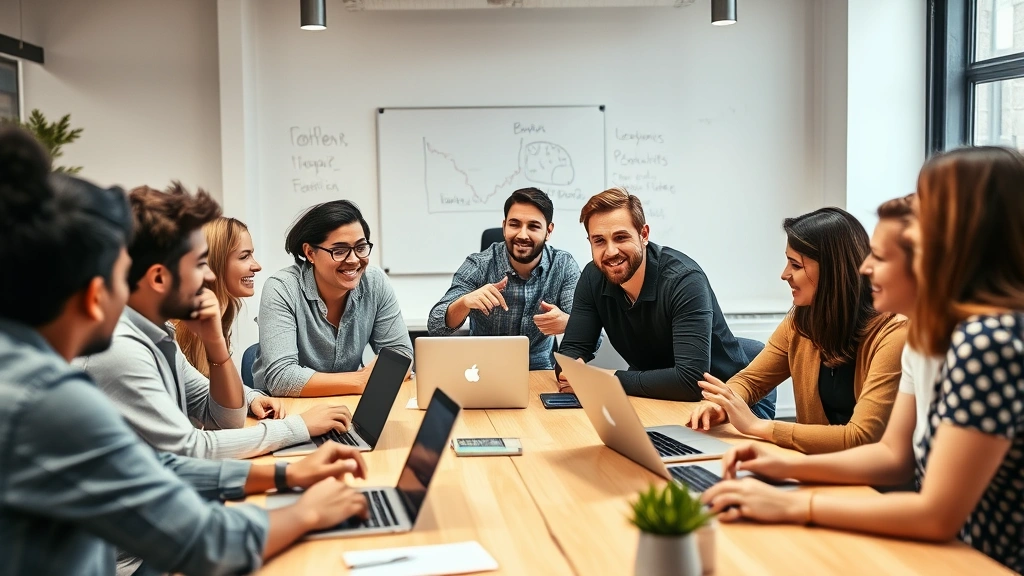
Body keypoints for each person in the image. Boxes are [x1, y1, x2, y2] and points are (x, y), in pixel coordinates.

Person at [0, 126, 368, 575]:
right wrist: (309, 510)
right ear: (94, 296)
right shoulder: (52, 397)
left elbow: (157, 467)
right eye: (121, 278)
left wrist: (283, 475)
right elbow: (201, 541)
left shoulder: (25, 369)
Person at [702, 147, 1024, 573]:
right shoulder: (930, 334)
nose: (867, 266)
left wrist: (795, 503)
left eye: (921, 219)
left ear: (965, 234)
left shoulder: (988, 341)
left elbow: (936, 513)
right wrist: (777, 465)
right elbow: (893, 455)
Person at [79, 184, 353, 459]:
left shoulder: (160, 334)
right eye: (199, 264)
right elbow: (192, 449)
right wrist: (298, 428)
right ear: (159, 278)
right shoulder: (121, 349)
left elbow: (224, 418)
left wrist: (215, 344)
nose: (209, 276)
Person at [690, 207, 907, 454]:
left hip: (870, 483)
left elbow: (861, 437)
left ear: (832, 270)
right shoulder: (802, 321)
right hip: (817, 467)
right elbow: (751, 380)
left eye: (796, 265)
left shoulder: (893, 334)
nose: (784, 275)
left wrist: (759, 427)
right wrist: (723, 406)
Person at [556, 188, 767, 413]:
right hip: (654, 399)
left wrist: (605, 378)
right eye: (599, 241)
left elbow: (690, 381)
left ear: (644, 235)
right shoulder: (593, 276)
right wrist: (571, 371)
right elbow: (571, 351)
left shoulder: (684, 280)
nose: (610, 251)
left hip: (726, 403)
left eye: (621, 237)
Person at [254, 200, 413, 397]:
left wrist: (366, 379)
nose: (354, 260)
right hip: (285, 411)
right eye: (339, 251)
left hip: (348, 405)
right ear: (310, 253)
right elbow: (282, 378)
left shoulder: (374, 282)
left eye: (361, 247)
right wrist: (361, 380)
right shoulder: (282, 288)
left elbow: (401, 356)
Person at [427, 188, 581, 370]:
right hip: (482, 371)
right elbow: (435, 325)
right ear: (504, 226)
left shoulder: (563, 265)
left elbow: (592, 333)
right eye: (514, 224)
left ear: (548, 231)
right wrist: (464, 303)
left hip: (539, 370)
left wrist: (569, 324)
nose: (522, 235)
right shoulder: (479, 265)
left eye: (533, 226)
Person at [176, 217, 264, 381]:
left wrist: (252, 398)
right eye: (245, 256)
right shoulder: (182, 328)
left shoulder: (223, 313)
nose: (257, 266)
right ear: (215, 262)